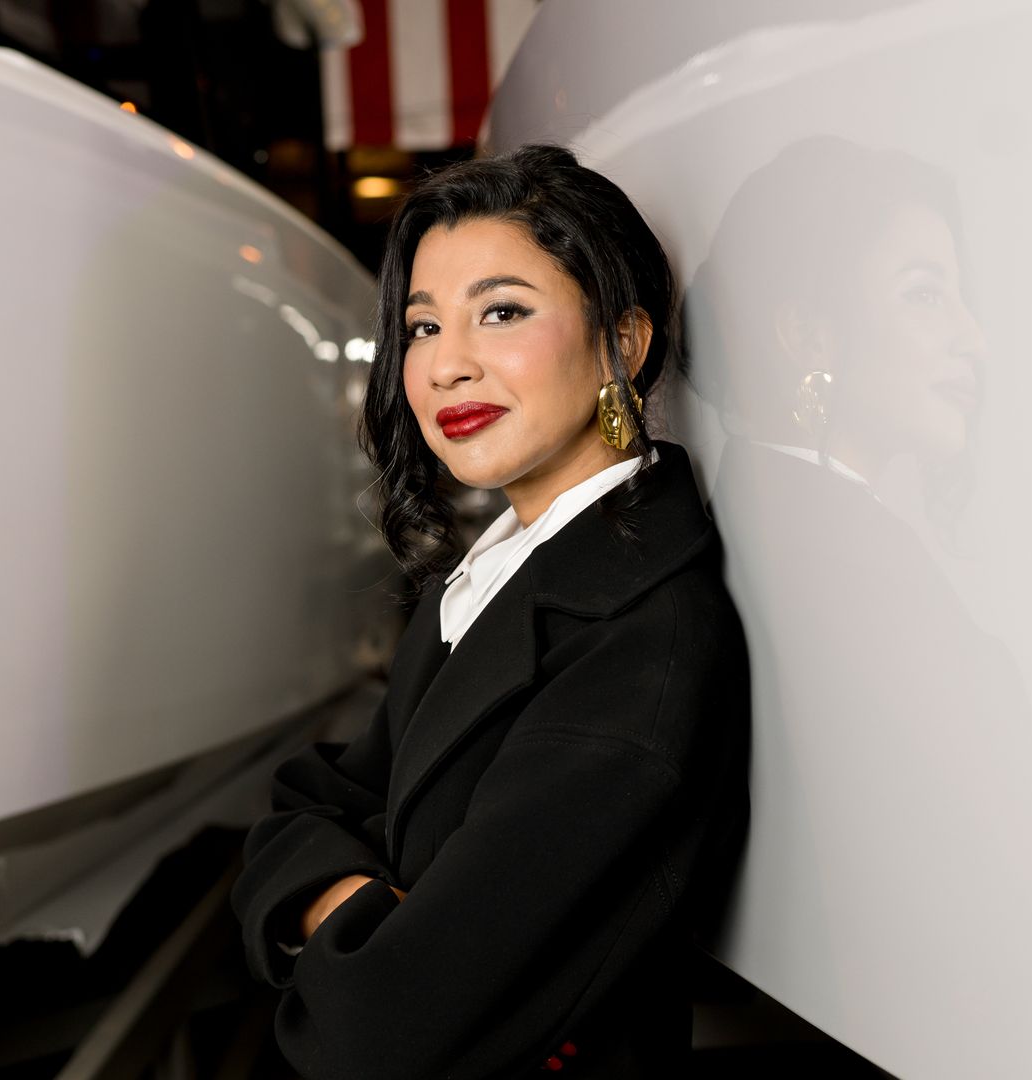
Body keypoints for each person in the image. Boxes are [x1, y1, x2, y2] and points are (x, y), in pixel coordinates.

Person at [230, 143, 752, 1080]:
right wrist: (365, 901)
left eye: (501, 313)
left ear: (622, 344)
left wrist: (325, 899)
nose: (445, 368)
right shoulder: (502, 573)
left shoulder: (641, 643)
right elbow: (311, 800)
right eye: (424, 328)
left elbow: (383, 1028)